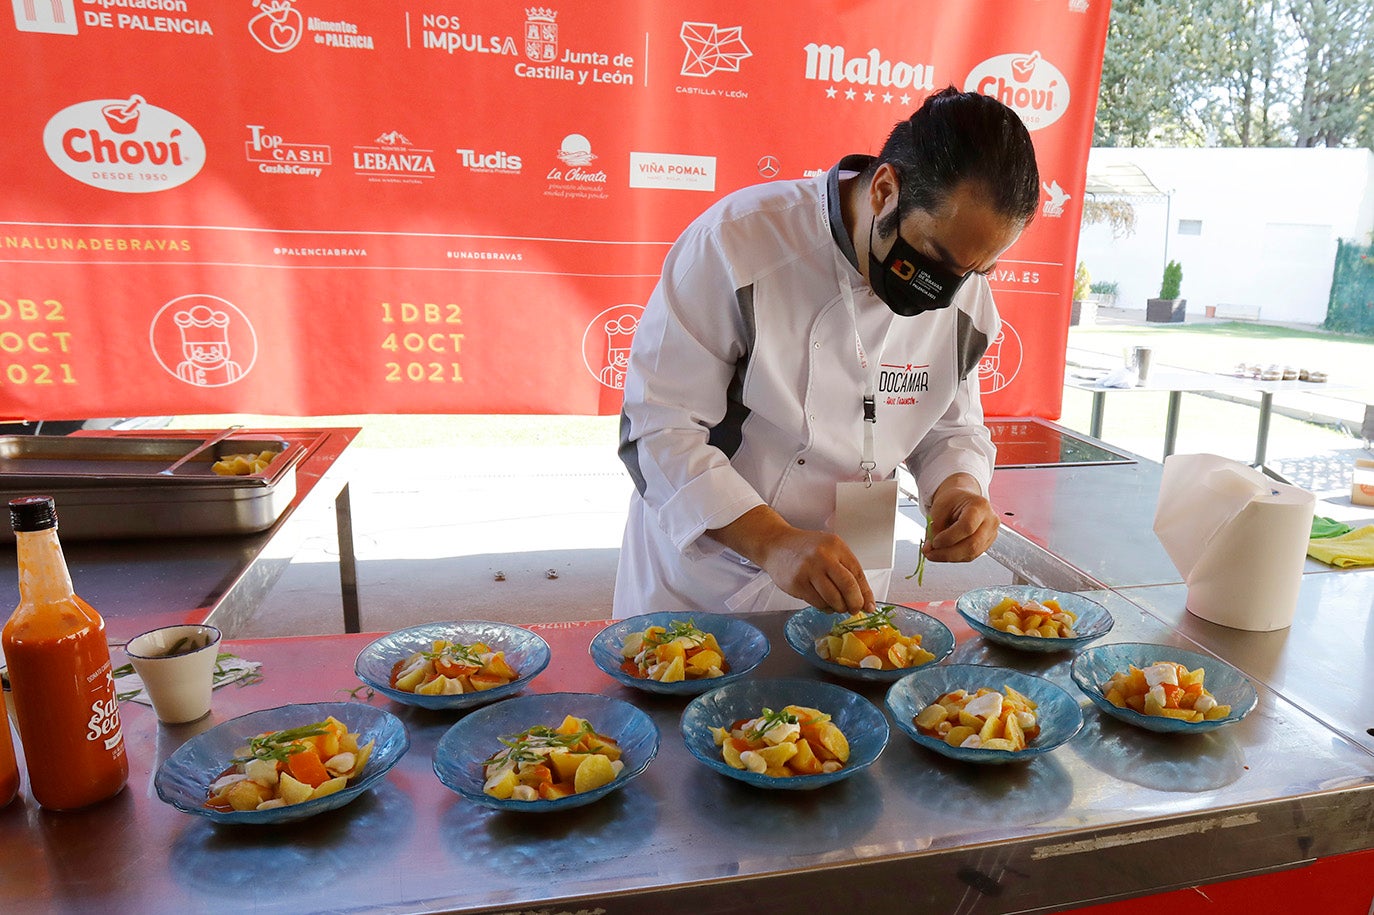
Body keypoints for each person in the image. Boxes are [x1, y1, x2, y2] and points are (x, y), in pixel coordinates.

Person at [614, 87, 1040, 618]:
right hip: (713, 575)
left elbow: (951, 427)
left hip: (854, 577)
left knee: (843, 699)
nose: (946, 292)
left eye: (976, 271)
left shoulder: (965, 300)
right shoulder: (738, 244)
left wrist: (959, 488)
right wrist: (772, 541)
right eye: (934, 256)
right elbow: (658, 430)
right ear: (886, 190)